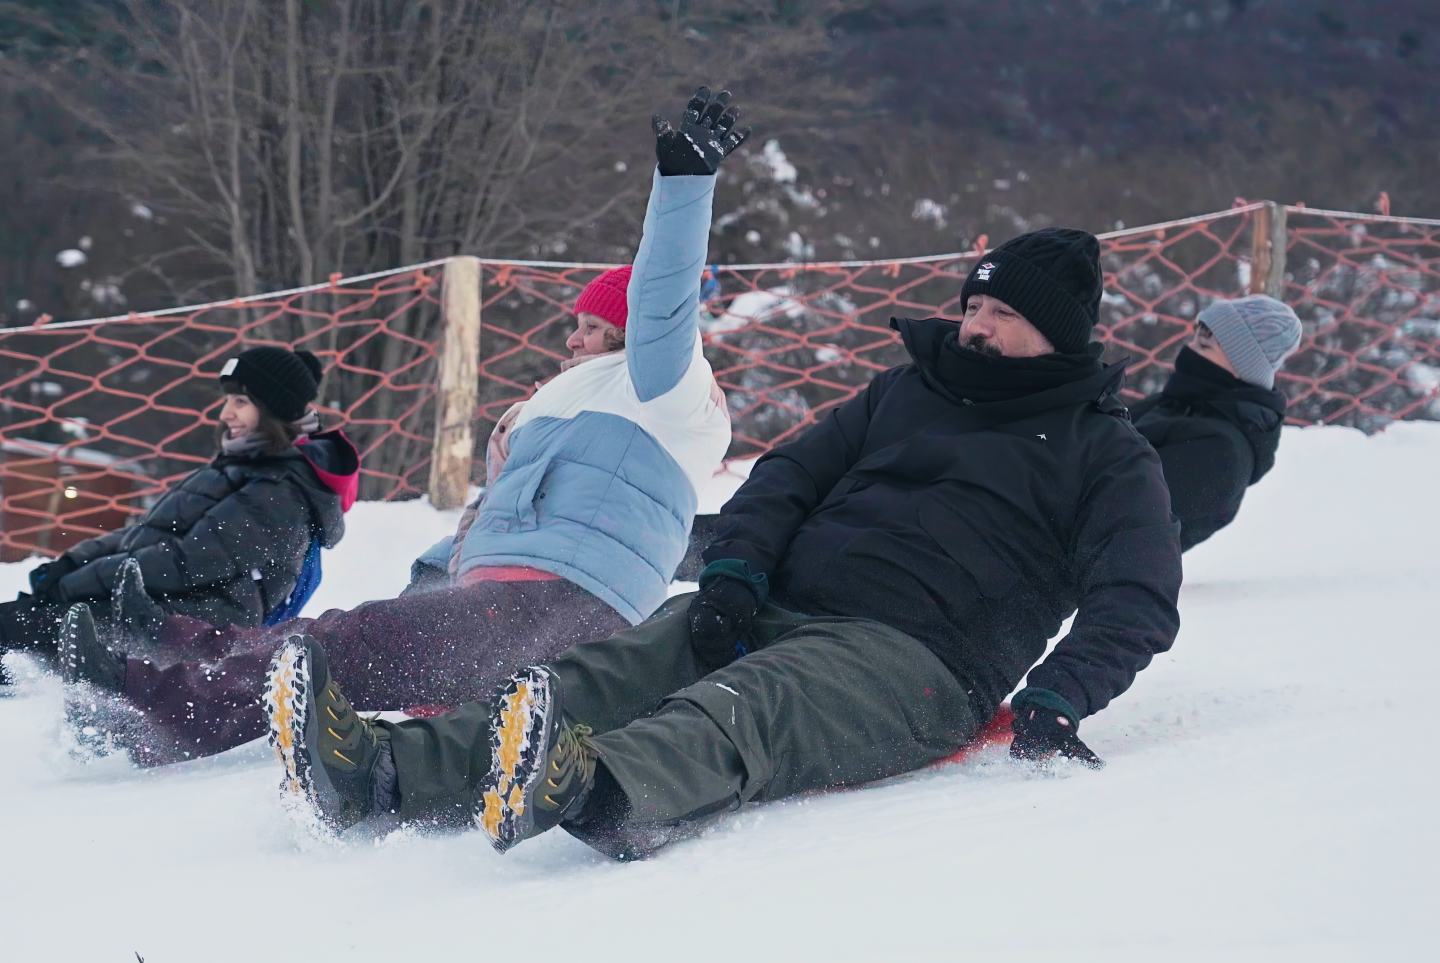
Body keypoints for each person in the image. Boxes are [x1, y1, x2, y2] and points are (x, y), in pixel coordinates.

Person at [263, 156, 1184, 861]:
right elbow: (789, 477)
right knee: (608, 669)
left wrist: (1060, 697)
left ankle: (600, 789)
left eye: (1003, 317)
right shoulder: (907, 391)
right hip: (782, 602)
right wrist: (738, 572)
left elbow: (1136, 596)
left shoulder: (1106, 454)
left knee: (747, 706)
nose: (975, 326)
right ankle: (381, 772)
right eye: (973, 306)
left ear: (1058, 336)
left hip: (918, 657)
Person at [53, 87, 743, 766]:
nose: (572, 339)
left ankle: (155, 701)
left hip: (570, 601)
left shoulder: (665, 389)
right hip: (510, 592)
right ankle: (174, 646)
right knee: (345, 635)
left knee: (347, 648)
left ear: (629, 335)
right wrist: (435, 575)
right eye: (575, 324)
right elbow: (495, 513)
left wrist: (683, 185)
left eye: (591, 327)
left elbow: (663, 302)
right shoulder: (566, 403)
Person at [0, 346, 357, 693]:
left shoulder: (279, 493)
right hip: (147, 603)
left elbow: (187, 562)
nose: (225, 412)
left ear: (272, 412)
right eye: (227, 399)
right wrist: (77, 561)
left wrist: (85, 582)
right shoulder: (244, 469)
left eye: (240, 402)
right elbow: (148, 535)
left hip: (177, 629)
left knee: (8, 639)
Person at [1129, 295, 1302, 551]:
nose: (1189, 350)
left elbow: (1111, 505)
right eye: (1194, 339)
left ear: (1241, 365)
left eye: (1204, 346)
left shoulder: (1221, 451)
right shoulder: (1181, 403)